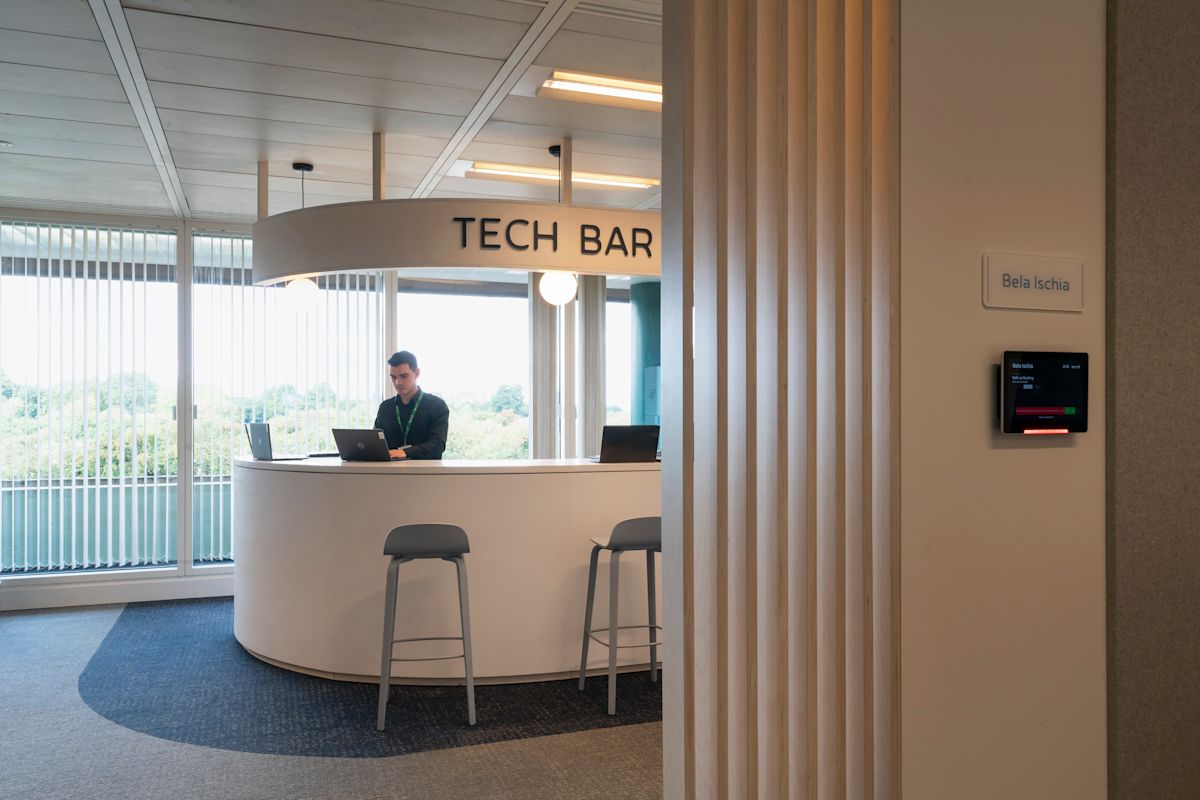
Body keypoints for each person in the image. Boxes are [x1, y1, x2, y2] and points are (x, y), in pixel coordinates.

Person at [373, 351, 449, 460]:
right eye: (393, 377)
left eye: (403, 376)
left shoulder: (437, 406)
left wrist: (405, 452)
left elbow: (437, 445)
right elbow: (376, 442)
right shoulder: (385, 407)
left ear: (417, 373)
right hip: (390, 469)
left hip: (425, 469)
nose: (398, 382)